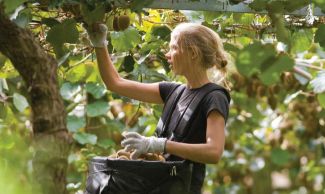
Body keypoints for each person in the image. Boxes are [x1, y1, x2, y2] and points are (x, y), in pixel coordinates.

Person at [87, 22, 231, 194]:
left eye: (173, 48)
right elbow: (115, 83)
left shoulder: (214, 97)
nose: (167, 55)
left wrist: (159, 144)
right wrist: (99, 44)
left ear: (192, 53)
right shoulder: (173, 91)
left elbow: (214, 152)